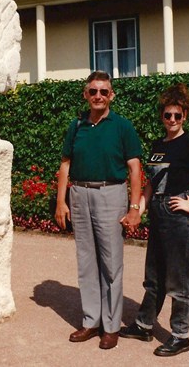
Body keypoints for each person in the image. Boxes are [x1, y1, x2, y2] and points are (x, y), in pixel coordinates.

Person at [119, 83, 189, 356]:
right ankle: (143, 325)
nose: (172, 120)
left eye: (178, 115)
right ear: (162, 116)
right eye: (168, 115)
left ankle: (180, 335)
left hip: (180, 219)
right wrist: (137, 211)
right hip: (158, 215)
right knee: (154, 276)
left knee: (179, 280)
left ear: (185, 115)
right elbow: (151, 186)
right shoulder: (157, 145)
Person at [55, 70, 142, 350]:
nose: (98, 96)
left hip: (110, 193)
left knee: (111, 263)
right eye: (93, 91)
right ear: (85, 94)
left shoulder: (122, 126)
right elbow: (65, 165)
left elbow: (135, 169)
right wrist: (61, 201)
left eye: (103, 91)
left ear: (111, 95)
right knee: (87, 262)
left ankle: (111, 326)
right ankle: (91, 321)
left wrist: (134, 208)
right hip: (79, 194)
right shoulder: (76, 125)